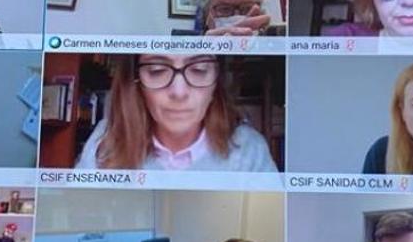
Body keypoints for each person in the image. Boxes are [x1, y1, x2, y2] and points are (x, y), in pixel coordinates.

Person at [75, 55, 278, 172]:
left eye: (199, 70)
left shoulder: (249, 148)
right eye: (156, 70)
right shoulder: (106, 140)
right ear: (136, 82)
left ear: (216, 82)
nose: (179, 93)